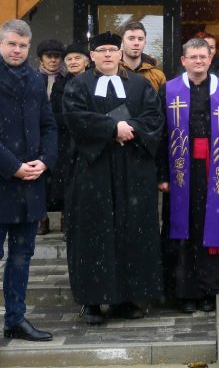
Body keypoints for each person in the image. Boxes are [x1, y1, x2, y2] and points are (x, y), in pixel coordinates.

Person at [0, 19, 58, 356]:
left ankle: (16, 319)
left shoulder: (35, 79)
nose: (17, 50)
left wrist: (45, 160)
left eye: (22, 45)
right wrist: (13, 166)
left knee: (22, 256)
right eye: (11, 44)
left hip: (31, 182)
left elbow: (48, 124)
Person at [63, 30, 165, 324]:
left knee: (131, 231)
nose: (107, 55)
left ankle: (126, 297)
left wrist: (129, 129)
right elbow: (75, 118)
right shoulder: (78, 85)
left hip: (133, 169)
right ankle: (93, 300)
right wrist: (112, 129)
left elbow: (154, 118)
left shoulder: (140, 84)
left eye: (112, 50)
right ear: (91, 56)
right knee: (93, 233)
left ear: (121, 54)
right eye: (101, 50)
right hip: (93, 171)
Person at [158, 37, 219, 313]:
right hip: (180, 167)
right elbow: (160, 135)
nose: (198, 61)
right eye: (192, 57)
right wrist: (162, 174)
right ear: (183, 60)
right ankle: (184, 289)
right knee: (182, 227)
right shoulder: (168, 91)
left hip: (215, 168)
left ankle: (210, 287)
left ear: (210, 58)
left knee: (211, 224)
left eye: (203, 56)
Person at [35, 38, 67, 236]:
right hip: (38, 135)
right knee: (39, 177)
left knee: (63, 176)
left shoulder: (68, 78)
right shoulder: (32, 78)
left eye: (57, 57)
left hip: (63, 133)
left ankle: (65, 217)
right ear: (41, 58)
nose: (54, 60)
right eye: (49, 56)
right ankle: (41, 218)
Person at [119, 20, 166, 92]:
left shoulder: (157, 76)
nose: (136, 43)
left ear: (145, 42)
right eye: (131, 38)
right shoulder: (111, 72)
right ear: (122, 42)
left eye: (140, 39)